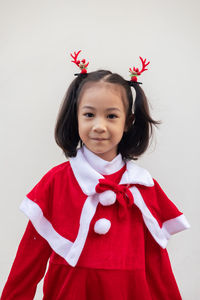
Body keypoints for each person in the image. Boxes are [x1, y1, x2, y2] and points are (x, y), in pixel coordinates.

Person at [1, 51, 190, 300]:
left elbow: (158, 265)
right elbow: (29, 260)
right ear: (75, 117)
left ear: (128, 122)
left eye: (111, 116)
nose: (99, 126)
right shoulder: (56, 182)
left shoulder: (142, 187)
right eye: (89, 115)